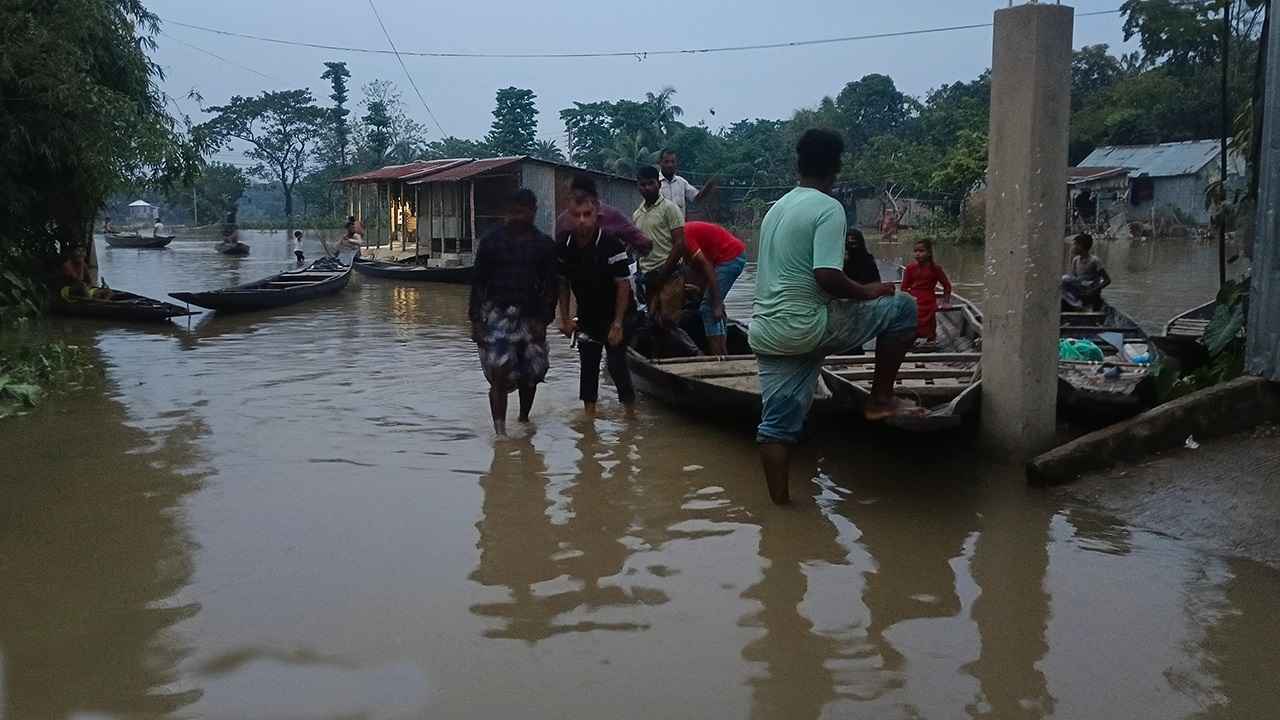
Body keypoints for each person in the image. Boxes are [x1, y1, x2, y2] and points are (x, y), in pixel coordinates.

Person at [749, 129, 920, 505]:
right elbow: (826, 276)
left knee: (774, 427)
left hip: (766, 330)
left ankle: (780, 511)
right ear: (836, 169)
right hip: (807, 326)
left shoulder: (776, 209)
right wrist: (868, 291)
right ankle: (878, 399)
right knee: (904, 307)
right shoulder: (828, 209)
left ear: (799, 165)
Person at [470, 189, 558, 436]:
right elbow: (478, 283)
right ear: (505, 213)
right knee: (499, 373)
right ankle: (500, 434)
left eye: (523, 212)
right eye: (513, 212)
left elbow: (552, 286)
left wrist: (545, 319)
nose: (517, 217)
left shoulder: (544, 246)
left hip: (531, 316)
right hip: (497, 314)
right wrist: (476, 320)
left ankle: (523, 419)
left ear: (533, 213)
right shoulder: (490, 243)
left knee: (531, 375)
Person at [558, 180, 636, 414]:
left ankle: (630, 417)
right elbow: (562, 283)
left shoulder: (612, 245)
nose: (582, 220)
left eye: (587, 214)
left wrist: (618, 324)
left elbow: (623, 286)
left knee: (616, 365)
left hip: (618, 314)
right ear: (569, 216)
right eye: (577, 215)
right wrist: (564, 319)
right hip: (587, 316)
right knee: (588, 367)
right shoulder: (564, 247)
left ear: (596, 214)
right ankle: (589, 426)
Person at [681, 221, 747, 356]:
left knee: (708, 308)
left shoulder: (684, 237)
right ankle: (723, 354)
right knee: (712, 307)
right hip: (726, 257)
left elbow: (707, 267)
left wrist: (716, 303)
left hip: (730, 257)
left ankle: (717, 356)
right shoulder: (684, 240)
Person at [632, 165, 687, 319]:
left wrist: (663, 274)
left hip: (670, 275)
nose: (647, 188)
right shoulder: (637, 214)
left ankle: (688, 345)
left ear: (659, 184)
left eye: (651, 183)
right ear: (638, 186)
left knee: (669, 324)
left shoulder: (670, 209)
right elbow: (638, 245)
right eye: (643, 184)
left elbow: (680, 244)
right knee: (653, 324)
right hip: (648, 278)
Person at [555, 175, 651, 257]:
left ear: (595, 200)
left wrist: (621, 256)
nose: (582, 220)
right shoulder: (563, 221)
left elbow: (644, 243)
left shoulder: (612, 216)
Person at [899, 238, 952, 343]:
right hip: (913, 298)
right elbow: (904, 288)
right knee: (911, 318)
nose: (917, 254)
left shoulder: (936, 269)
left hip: (928, 298)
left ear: (929, 253)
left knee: (930, 318)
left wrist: (945, 302)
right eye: (916, 251)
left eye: (921, 251)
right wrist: (908, 299)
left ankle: (931, 339)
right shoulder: (910, 268)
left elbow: (947, 286)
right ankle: (911, 339)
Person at [1061, 232, 1111, 310]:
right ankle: (1075, 303)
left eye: (1075, 245)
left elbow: (1107, 280)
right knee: (1063, 280)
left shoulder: (1094, 261)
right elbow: (1075, 278)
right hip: (1080, 291)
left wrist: (1092, 290)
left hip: (1091, 293)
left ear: (1081, 246)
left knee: (1065, 279)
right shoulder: (1075, 260)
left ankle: (1078, 304)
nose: (1073, 247)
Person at [658, 149, 715, 217]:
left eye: (673, 162)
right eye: (666, 162)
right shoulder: (654, 182)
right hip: (660, 226)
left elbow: (697, 198)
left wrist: (709, 186)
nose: (670, 165)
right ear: (660, 163)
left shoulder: (681, 182)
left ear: (676, 164)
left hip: (679, 226)